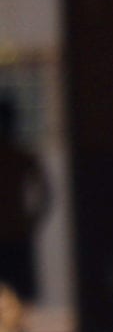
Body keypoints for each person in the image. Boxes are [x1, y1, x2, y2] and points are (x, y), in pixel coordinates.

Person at [0, 94, 50, 302]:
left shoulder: (21, 156)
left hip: (16, 230)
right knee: (19, 292)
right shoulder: (21, 156)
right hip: (17, 229)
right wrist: (34, 218)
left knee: (17, 292)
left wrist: (34, 218)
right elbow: (45, 191)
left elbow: (44, 191)